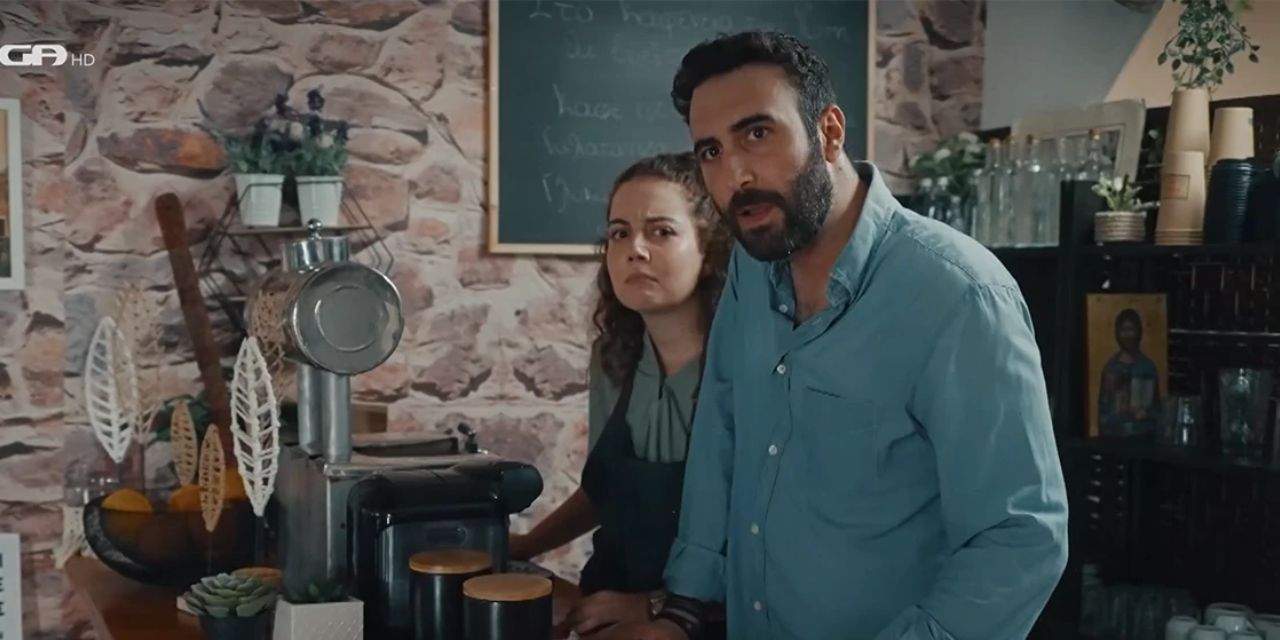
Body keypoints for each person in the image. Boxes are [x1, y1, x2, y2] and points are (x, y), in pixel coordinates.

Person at [607, 31, 1069, 640]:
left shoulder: (959, 295)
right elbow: (723, 429)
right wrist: (684, 608)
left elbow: (1021, 536)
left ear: (828, 132)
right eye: (711, 151)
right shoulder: (752, 266)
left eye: (757, 133)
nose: (734, 174)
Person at [507, 152, 731, 638]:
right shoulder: (614, 359)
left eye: (661, 231)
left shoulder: (747, 369)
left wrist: (657, 606)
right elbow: (606, 491)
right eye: (619, 233)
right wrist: (526, 547)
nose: (635, 250)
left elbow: (775, 542)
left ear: (709, 249)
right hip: (608, 603)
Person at [1098, 308, 1160, 437]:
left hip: (1144, 436)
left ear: (1138, 332)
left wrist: (1146, 414)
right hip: (1115, 438)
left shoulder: (1148, 367)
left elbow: (1157, 409)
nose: (1127, 335)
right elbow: (1103, 412)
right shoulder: (1111, 368)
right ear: (1117, 333)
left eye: (1131, 329)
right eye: (1123, 330)